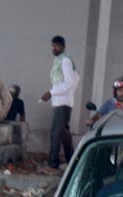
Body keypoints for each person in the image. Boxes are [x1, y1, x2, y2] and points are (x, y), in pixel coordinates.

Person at [41, 35, 80, 170]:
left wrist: (51, 93)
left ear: (63, 47)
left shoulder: (65, 61)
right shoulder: (58, 60)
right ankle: (73, 161)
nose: (54, 48)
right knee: (63, 134)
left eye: (56, 46)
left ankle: (53, 163)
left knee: (55, 133)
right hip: (60, 101)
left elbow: (69, 83)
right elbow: (61, 83)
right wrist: (52, 93)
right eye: (52, 46)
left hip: (63, 102)